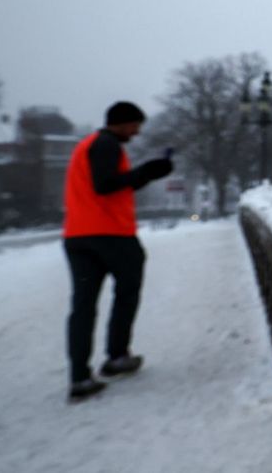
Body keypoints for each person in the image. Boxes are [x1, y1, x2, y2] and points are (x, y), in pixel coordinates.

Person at [62, 101, 173, 401]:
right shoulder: (107, 145)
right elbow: (106, 186)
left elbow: (107, 187)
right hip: (111, 235)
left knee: (83, 307)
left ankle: (80, 377)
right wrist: (147, 171)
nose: (136, 133)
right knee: (127, 292)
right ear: (122, 123)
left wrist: (147, 174)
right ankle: (117, 356)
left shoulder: (86, 146)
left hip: (77, 236)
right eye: (135, 125)